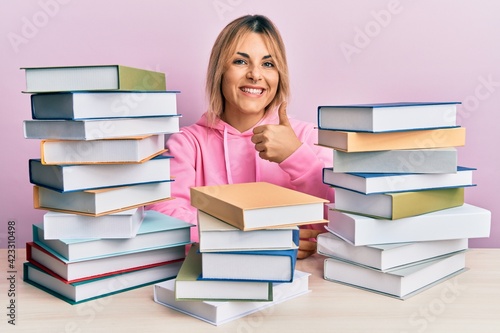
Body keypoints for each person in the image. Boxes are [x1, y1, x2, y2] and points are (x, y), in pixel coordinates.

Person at [148, 14, 334, 259]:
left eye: (268, 64)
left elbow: (341, 223)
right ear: (220, 71)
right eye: (240, 61)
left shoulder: (307, 138)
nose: (255, 75)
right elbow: (164, 215)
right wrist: (259, 239)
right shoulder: (187, 144)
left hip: (304, 283)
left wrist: (297, 158)